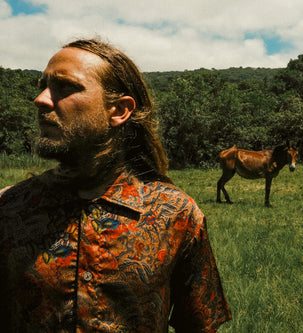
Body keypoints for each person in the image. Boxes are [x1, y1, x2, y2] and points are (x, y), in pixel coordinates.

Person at [0, 38, 231, 332]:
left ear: (119, 111)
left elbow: (199, 325)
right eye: (42, 85)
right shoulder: (9, 209)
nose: (41, 99)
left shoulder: (175, 215)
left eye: (66, 87)